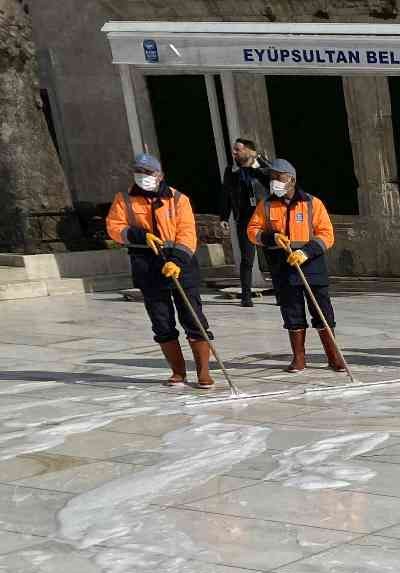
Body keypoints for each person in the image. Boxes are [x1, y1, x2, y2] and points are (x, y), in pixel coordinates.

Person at [104, 153, 213, 388]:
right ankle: (178, 372)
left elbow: (187, 233)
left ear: (160, 175)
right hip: (147, 265)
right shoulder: (124, 199)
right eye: (139, 172)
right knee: (161, 321)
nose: (143, 177)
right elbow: (114, 227)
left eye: (148, 172)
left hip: (179, 265)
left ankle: (204, 371)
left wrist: (177, 261)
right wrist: (139, 235)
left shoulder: (178, 199)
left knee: (193, 317)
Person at [246, 159, 344, 374]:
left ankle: (333, 356)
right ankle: (299, 358)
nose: (274, 182)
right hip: (282, 266)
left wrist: (305, 252)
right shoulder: (266, 205)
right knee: (292, 312)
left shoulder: (311, 203)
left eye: (279, 177)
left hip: (311, 265)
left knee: (322, 312)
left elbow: (327, 234)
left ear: (291, 179)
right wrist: (270, 238)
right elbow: (252, 231)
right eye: (272, 177)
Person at [221, 137, 272, 307]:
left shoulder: (262, 168)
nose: (234, 153)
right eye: (234, 150)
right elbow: (227, 196)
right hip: (244, 219)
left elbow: (274, 178)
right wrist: (224, 217)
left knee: (271, 257)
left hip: (264, 218)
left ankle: (280, 294)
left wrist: (259, 162)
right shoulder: (231, 171)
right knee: (247, 259)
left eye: (238, 149)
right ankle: (246, 296)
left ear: (249, 151)